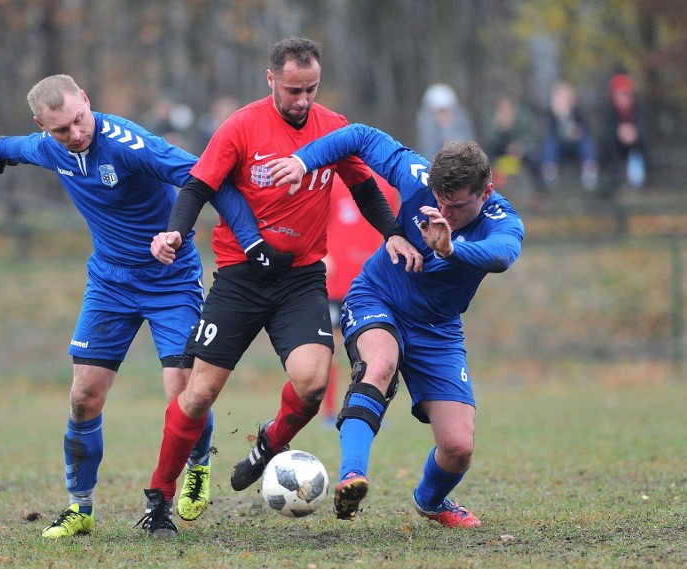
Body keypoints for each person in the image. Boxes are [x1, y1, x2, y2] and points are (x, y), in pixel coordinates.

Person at [0, 74, 291, 539]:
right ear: (43, 127)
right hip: (109, 283)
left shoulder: (131, 145)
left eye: (78, 120)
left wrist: (250, 242)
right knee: (83, 397)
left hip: (170, 280)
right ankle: (80, 508)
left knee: (183, 391)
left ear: (87, 101)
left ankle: (195, 464)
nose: (75, 134)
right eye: (61, 130)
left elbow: (207, 178)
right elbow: (11, 146)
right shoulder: (48, 147)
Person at [140, 37, 414, 538]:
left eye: (311, 89)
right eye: (293, 90)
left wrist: (394, 232)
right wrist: (176, 230)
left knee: (313, 382)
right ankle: (158, 496)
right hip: (240, 278)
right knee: (198, 393)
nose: (303, 100)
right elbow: (199, 185)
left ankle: (268, 442)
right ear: (271, 80)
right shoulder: (242, 126)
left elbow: (363, 188)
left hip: (301, 278)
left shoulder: (332, 128)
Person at [265, 124, 524, 528]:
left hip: (438, 328)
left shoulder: (501, 218)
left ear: (485, 192)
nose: (446, 213)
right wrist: (302, 160)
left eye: (457, 207)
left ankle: (431, 501)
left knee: (458, 447)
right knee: (379, 365)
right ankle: (352, 475)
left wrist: (451, 248)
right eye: (441, 202)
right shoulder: (415, 174)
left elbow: (503, 254)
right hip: (377, 297)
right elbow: (359, 136)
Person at [322, 174, 399, 425]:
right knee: (330, 348)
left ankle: (368, 410)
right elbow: (316, 222)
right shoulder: (331, 181)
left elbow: (392, 231)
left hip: (370, 281)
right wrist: (321, 255)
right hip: (334, 279)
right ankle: (330, 412)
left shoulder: (387, 186)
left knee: (372, 351)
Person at [539, 80, 599, 192]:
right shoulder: (551, 114)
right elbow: (549, 131)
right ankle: (549, 171)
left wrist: (576, 131)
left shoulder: (577, 111)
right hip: (560, 146)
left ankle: (589, 169)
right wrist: (559, 116)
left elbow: (585, 128)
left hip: (575, 144)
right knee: (550, 142)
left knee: (586, 141)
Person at [483, 94, 543, 199]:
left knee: (534, 157)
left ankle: (538, 194)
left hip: (520, 150)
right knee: (485, 159)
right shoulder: (492, 120)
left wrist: (520, 145)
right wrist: (500, 129)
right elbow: (490, 141)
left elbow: (529, 136)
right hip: (500, 150)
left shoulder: (522, 118)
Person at [599, 72, 647, 198]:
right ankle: (617, 177)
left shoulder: (637, 111)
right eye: (621, 94)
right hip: (615, 151)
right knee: (611, 146)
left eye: (626, 94)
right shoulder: (610, 113)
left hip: (633, 149)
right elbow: (607, 137)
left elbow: (642, 134)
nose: (624, 98)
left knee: (637, 152)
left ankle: (637, 180)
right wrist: (619, 133)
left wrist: (634, 134)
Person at [416, 83, 475, 160]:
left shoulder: (462, 130)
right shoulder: (428, 135)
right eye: (440, 112)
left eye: (445, 111)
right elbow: (428, 152)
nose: (443, 116)